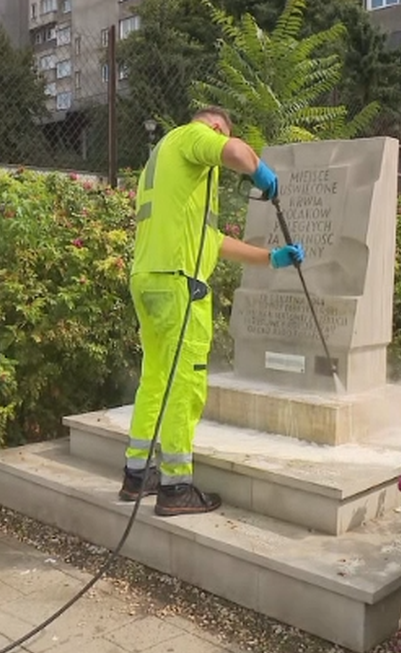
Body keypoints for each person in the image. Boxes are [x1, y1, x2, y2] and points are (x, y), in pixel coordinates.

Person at [119, 106, 304, 517]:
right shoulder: (192, 137)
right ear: (217, 127)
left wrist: (271, 258)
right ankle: (175, 488)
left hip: (149, 279)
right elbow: (237, 153)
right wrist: (261, 172)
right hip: (178, 283)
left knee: (156, 380)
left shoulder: (166, 163)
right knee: (185, 385)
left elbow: (213, 240)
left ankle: (137, 475)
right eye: (221, 135)